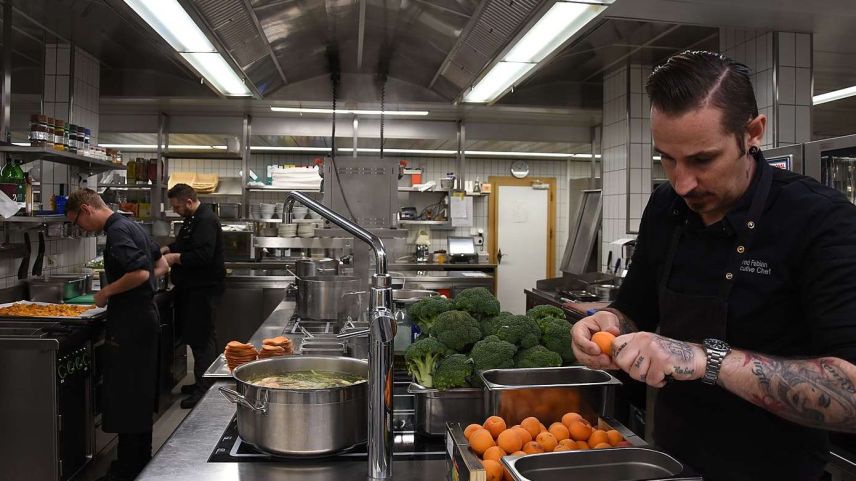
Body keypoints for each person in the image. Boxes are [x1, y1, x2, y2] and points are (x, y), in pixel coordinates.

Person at [571, 50, 856, 481]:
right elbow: (634, 308)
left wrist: (707, 359)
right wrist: (606, 324)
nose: (682, 183)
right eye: (667, 158)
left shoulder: (820, 220)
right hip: (671, 464)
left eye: (702, 160)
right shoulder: (665, 207)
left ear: (752, 133)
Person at [66, 189, 168, 481]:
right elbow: (160, 265)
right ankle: (139, 462)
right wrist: (140, 287)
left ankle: (127, 469)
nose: (81, 229)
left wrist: (106, 292)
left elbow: (140, 273)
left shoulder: (116, 232)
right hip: (144, 316)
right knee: (139, 392)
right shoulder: (130, 224)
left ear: (87, 209)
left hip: (130, 322)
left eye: (77, 222)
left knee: (126, 393)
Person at [161, 183, 225, 409]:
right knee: (199, 338)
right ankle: (204, 381)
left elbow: (203, 255)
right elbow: (186, 244)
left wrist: (174, 259)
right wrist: (168, 249)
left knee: (202, 339)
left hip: (203, 289)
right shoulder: (192, 218)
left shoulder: (206, 220)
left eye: (177, 207)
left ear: (189, 202)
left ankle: (204, 389)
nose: (175, 210)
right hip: (193, 289)